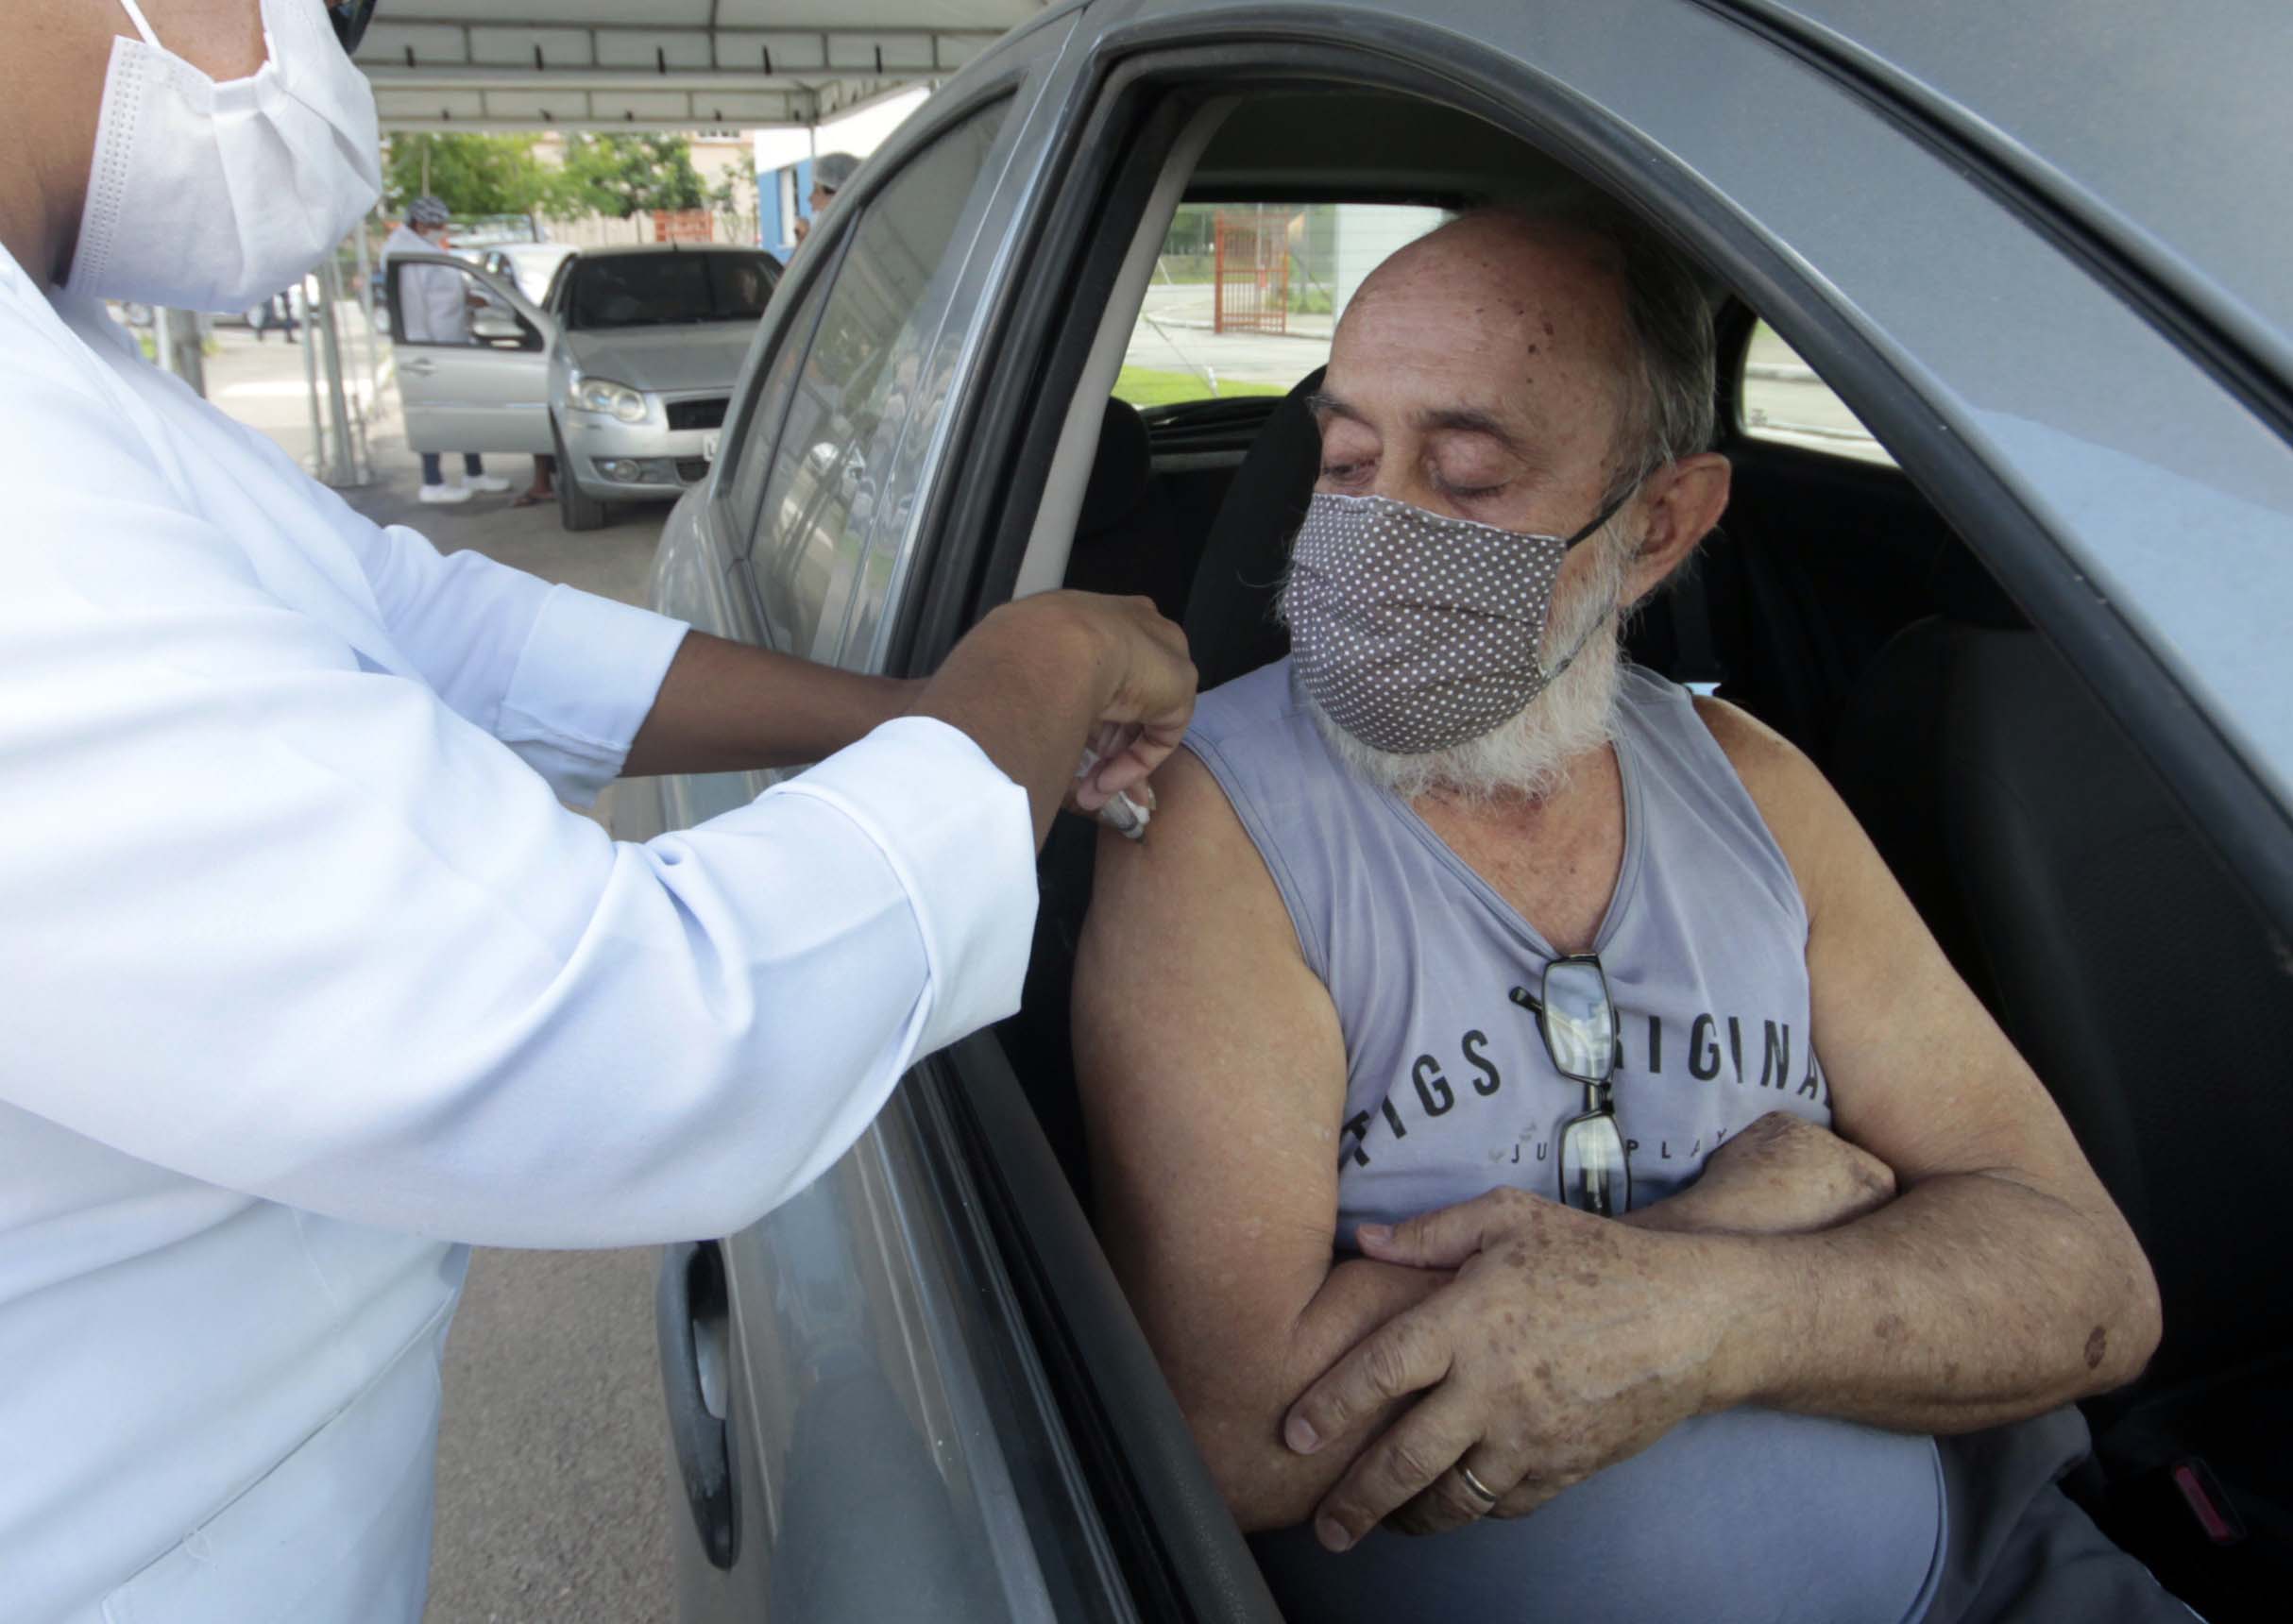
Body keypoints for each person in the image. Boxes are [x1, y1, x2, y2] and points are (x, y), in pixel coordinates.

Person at [0, 3, 1193, 1619]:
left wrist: (915, 720)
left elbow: (438, 630)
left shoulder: (65, 375)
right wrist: (1035, 670)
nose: (326, 66)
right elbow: (636, 1036)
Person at [1075, 207, 2188, 1623]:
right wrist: (1736, 1221)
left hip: (1989, 1585)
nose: (1372, 530)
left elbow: (2087, 1281)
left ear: (1660, 525)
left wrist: (1706, 1321)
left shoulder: (1758, 787)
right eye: (1347, 458)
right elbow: (1234, 1432)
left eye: (1466, 477)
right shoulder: (1212, 824)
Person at [382, 193, 513, 503]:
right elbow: (413, 305)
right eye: (438, 223)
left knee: (464, 411)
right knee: (433, 413)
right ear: (420, 223)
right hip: (431, 350)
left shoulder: (424, 248)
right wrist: (422, 352)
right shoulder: (404, 253)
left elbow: (442, 294)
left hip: (452, 345)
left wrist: (468, 298)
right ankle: (433, 481)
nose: (443, 228)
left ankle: (474, 472)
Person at [790, 150, 858, 246]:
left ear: (838, 196)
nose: (810, 198)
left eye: (817, 191)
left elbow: (807, 262)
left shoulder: (847, 240)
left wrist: (803, 241)